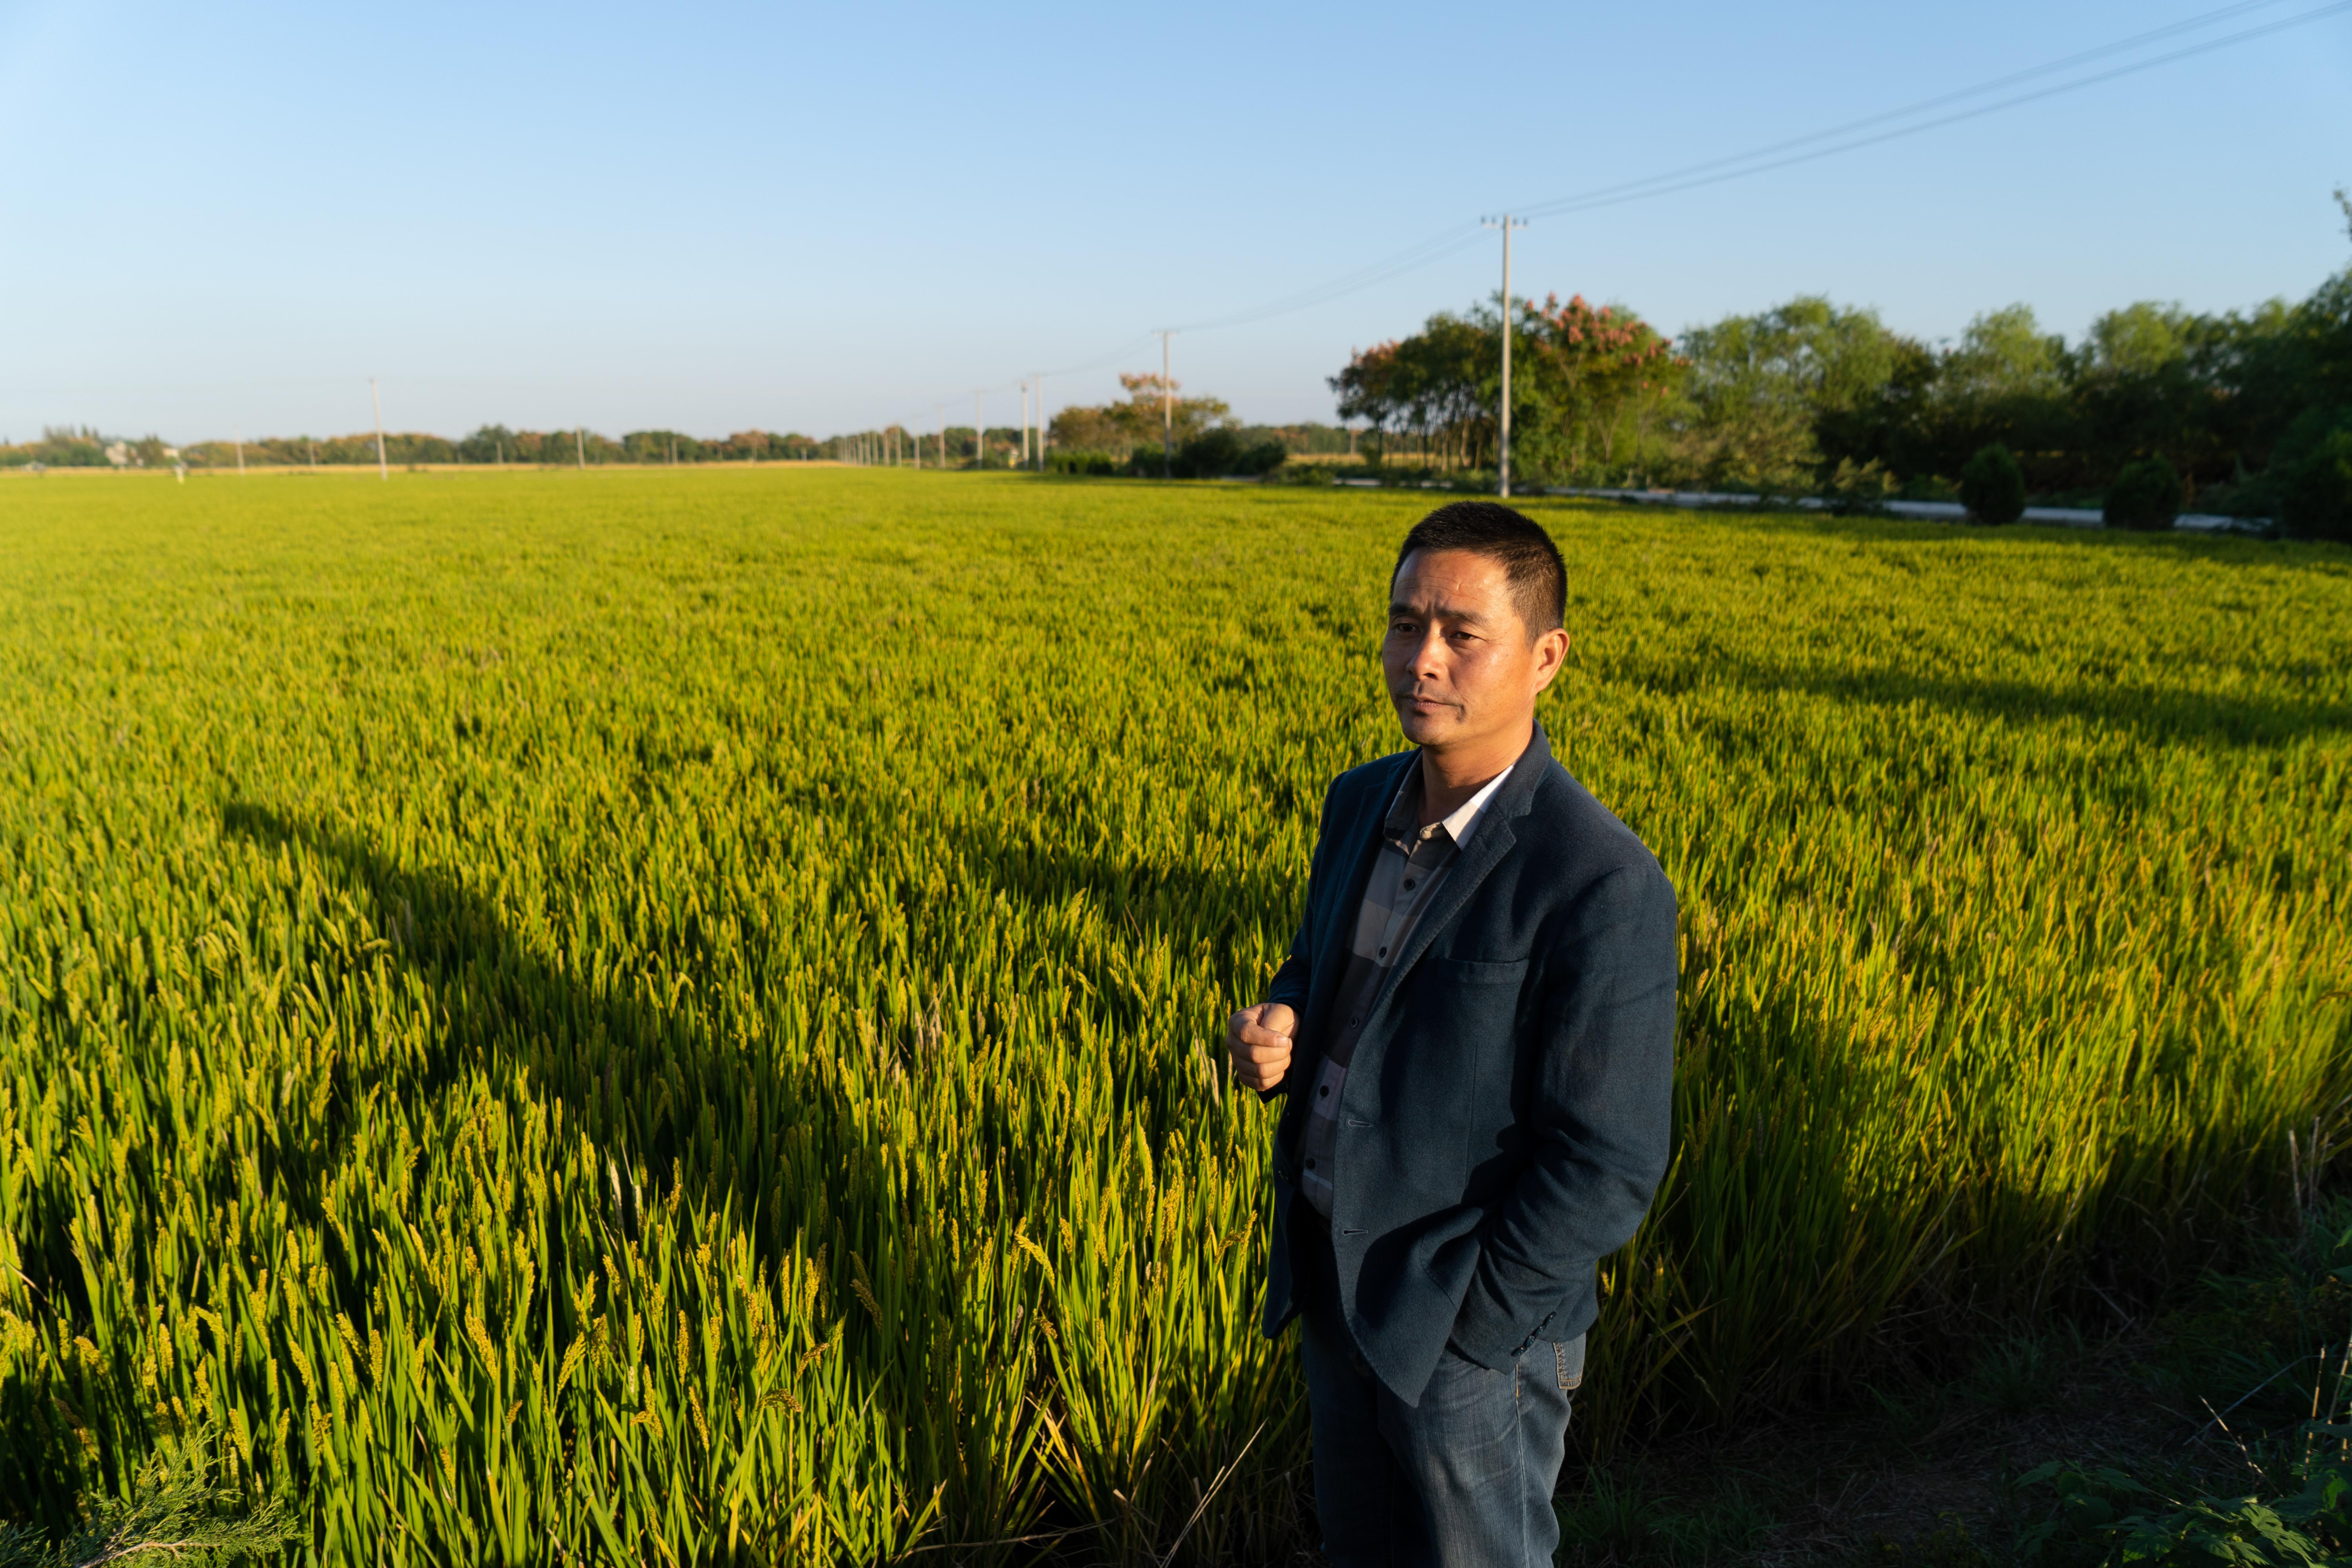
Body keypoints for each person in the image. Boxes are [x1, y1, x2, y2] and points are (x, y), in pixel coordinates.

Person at [1226, 501, 1677, 1568]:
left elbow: (1609, 1161)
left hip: (1467, 1328)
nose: (1421, 659)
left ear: (1546, 656)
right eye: (1402, 624)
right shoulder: (1359, 805)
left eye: (1461, 635)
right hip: (1337, 1287)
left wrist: (1476, 1325)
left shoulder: (1596, 878)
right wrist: (1284, 1014)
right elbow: (1325, 968)